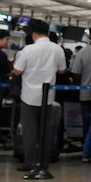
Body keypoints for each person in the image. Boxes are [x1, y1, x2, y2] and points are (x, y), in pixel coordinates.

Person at [12, 19, 67, 172]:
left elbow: (17, 71)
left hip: (29, 96)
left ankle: (30, 163)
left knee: (30, 132)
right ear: (48, 33)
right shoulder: (58, 49)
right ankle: (44, 163)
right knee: (46, 132)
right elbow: (62, 70)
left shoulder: (27, 50)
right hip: (48, 97)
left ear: (33, 34)